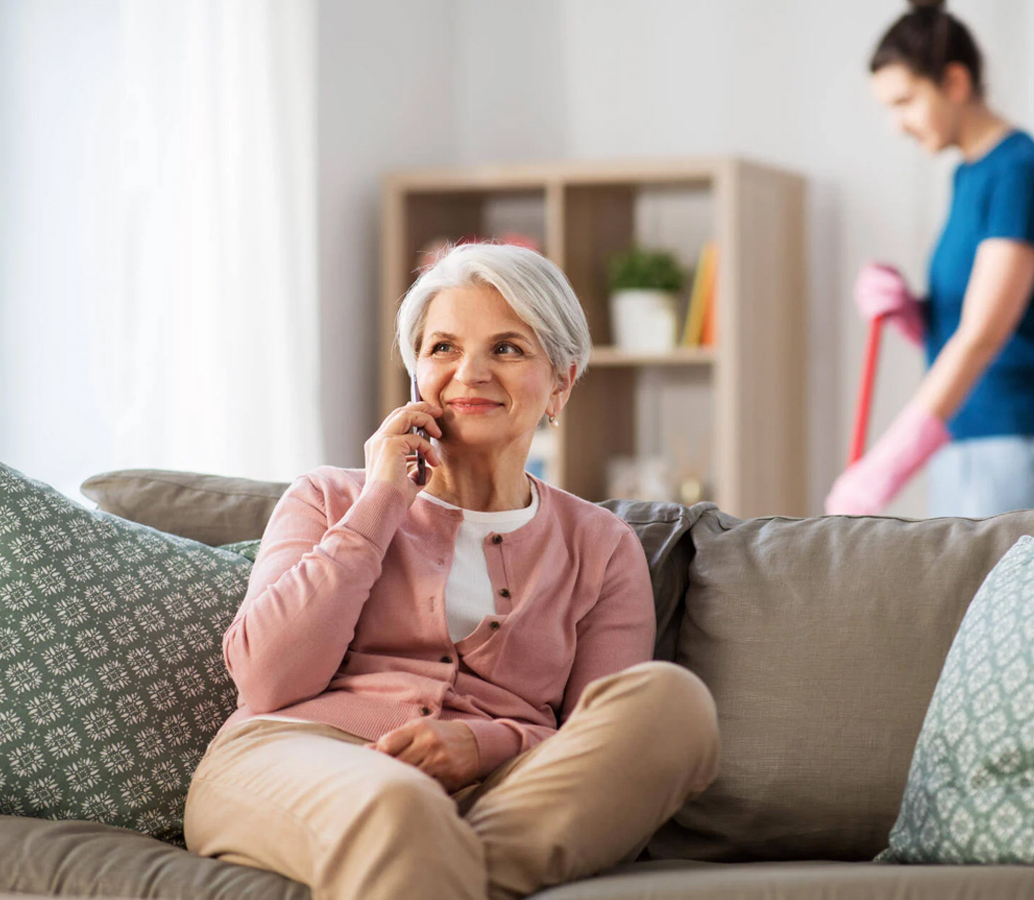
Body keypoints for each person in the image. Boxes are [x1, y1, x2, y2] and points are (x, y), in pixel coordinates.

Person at [182, 242, 720, 900]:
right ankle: (433, 859)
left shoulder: (601, 544)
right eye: (442, 349)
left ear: (561, 382)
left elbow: (588, 738)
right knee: (400, 808)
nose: (470, 373)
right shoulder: (327, 498)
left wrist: (483, 742)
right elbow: (267, 679)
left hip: (498, 792)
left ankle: (431, 870)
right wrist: (380, 503)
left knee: (673, 707)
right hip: (299, 758)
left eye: (507, 349)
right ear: (416, 372)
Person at [826, 0, 1034, 518]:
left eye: (904, 102)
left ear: (955, 82)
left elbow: (984, 334)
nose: (895, 125)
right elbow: (968, 319)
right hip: (963, 436)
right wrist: (910, 311)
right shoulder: (970, 174)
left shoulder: (1020, 174)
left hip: (1018, 439)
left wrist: (887, 465)